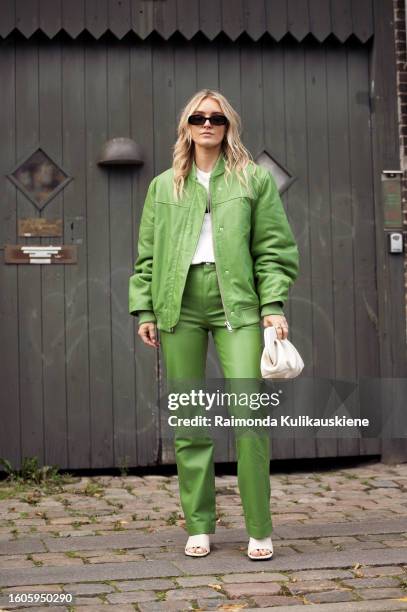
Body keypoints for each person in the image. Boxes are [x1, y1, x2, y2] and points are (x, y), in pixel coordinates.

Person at [129, 89, 299, 560]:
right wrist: (145, 309)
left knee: (249, 417)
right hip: (178, 306)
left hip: (237, 306)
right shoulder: (163, 186)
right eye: (199, 118)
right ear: (187, 126)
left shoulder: (253, 181)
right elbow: (147, 256)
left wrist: (274, 303)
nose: (208, 124)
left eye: (217, 118)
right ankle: (199, 525)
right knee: (189, 419)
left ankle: (259, 528)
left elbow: (273, 248)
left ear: (228, 127)